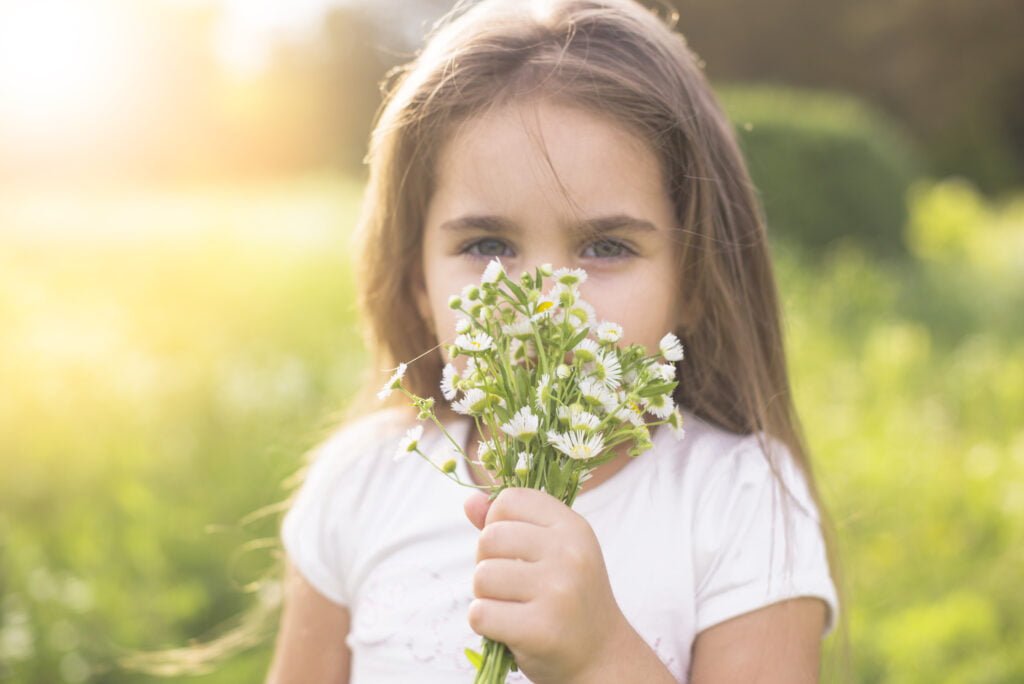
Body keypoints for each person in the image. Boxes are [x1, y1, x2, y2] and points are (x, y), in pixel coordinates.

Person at [267, 0, 846, 682]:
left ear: (693, 280)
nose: (543, 301)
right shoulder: (361, 484)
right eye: (487, 245)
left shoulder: (739, 498)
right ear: (417, 283)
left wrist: (601, 655)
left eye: (605, 246)